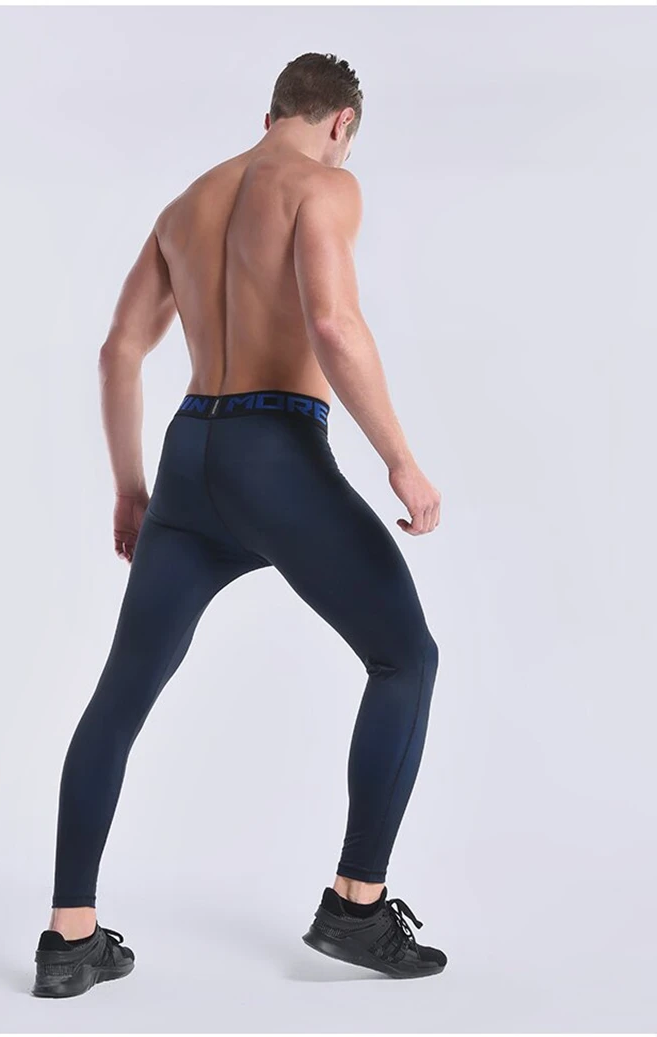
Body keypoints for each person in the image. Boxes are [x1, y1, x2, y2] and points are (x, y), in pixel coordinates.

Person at [31, 51, 445, 999]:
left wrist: (131, 490)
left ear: (270, 115)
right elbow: (333, 325)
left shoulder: (186, 205)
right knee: (405, 658)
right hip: (277, 456)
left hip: (189, 459)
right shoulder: (323, 186)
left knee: (120, 695)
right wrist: (401, 458)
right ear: (340, 123)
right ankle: (357, 905)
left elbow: (119, 351)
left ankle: (69, 938)